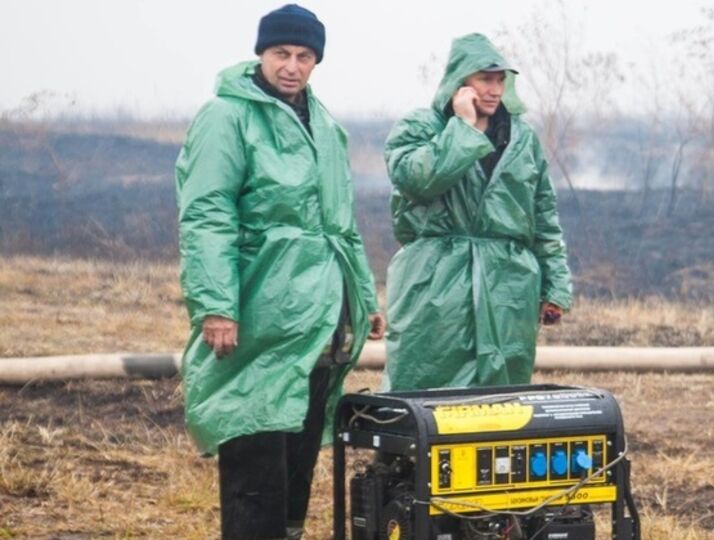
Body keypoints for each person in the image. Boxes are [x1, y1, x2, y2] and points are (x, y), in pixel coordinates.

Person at [175, 5, 385, 539]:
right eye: (281, 54)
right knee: (254, 440)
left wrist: (363, 297)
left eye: (304, 56)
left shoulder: (326, 126)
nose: (291, 66)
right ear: (261, 54)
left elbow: (343, 223)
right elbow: (207, 214)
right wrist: (217, 305)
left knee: (299, 448)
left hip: (318, 315)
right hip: (260, 306)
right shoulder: (227, 117)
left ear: (316, 61)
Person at [382, 33, 572, 391]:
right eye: (485, 79)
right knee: (427, 388)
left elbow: (543, 213)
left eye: (500, 80)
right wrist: (463, 128)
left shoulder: (522, 139)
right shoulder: (420, 128)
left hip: (508, 283)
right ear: (460, 81)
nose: (495, 90)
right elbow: (419, 180)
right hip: (436, 283)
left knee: (502, 395)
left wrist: (556, 284)